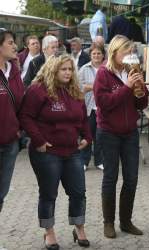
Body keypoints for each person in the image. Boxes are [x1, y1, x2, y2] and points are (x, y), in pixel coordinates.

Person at [19, 55, 92, 250]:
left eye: (70, 69)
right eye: (63, 69)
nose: (68, 73)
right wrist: (39, 141)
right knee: (49, 194)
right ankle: (49, 233)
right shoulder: (38, 90)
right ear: (53, 70)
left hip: (73, 151)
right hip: (47, 152)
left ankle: (79, 229)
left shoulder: (75, 90)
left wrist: (87, 136)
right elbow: (26, 116)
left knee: (78, 192)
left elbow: (83, 118)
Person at [94, 35, 149, 238]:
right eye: (126, 51)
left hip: (130, 132)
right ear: (115, 52)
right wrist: (126, 88)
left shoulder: (131, 71)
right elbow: (104, 103)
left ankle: (126, 222)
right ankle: (109, 222)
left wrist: (141, 90)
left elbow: (141, 105)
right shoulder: (103, 74)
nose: (130, 55)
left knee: (132, 178)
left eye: (132, 51)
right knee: (110, 177)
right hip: (108, 132)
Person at [0, 29, 24, 213]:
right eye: (10, 42)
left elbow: (22, 104)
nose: (15, 46)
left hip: (10, 143)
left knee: (1, 193)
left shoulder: (15, 72)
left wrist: (19, 130)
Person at [78, 43, 105, 171]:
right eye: (94, 53)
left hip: (103, 108)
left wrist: (93, 86)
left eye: (99, 53)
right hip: (88, 108)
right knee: (87, 134)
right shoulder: (84, 69)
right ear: (90, 55)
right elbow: (78, 88)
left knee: (100, 136)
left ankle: (99, 161)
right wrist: (95, 86)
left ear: (103, 55)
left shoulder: (107, 68)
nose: (96, 55)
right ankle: (84, 161)